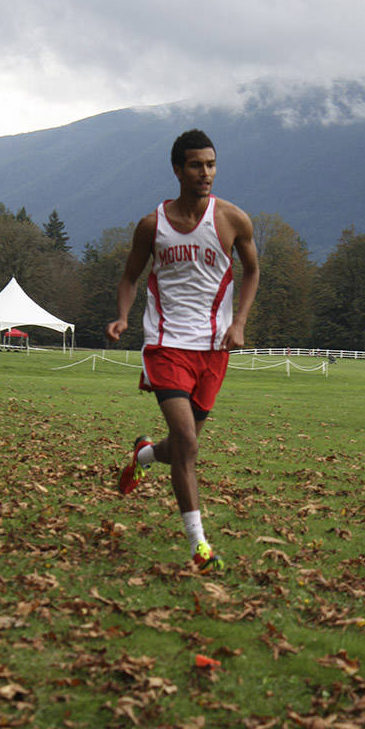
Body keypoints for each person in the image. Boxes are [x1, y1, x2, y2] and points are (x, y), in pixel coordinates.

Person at [105, 129, 260, 574]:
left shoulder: (233, 219)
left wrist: (239, 322)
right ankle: (199, 546)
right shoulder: (152, 225)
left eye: (211, 164)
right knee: (189, 443)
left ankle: (144, 455)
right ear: (178, 170)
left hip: (213, 349)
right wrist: (122, 316)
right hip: (166, 344)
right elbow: (130, 277)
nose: (205, 173)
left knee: (179, 447)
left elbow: (251, 272)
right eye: (196, 165)